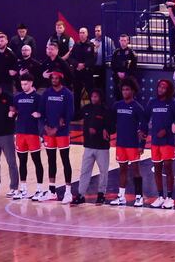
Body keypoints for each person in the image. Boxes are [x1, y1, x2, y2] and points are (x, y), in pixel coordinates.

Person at [142, 79, 175, 209]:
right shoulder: (152, 103)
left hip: (168, 141)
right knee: (157, 169)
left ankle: (170, 198)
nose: (161, 89)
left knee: (168, 168)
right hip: (155, 141)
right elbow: (145, 119)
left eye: (164, 87)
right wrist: (143, 133)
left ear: (169, 90)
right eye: (159, 86)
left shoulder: (172, 104)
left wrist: (168, 130)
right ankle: (160, 196)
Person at [109, 78, 146, 207]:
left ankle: (139, 197)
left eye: (127, 89)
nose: (125, 92)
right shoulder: (117, 105)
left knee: (135, 170)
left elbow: (144, 127)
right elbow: (111, 122)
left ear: (133, 91)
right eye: (123, 89)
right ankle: (121, 196)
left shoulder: (137, 107)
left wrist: (142, 144)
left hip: (133, 144)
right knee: (122, 170)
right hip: (120, 143)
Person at [73, 88, 113, 205]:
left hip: (102, 147)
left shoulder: (106, 110)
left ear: (100, 97)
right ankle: (81, 194)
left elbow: (112, 127)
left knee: (103, 172)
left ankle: (101, 194)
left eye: (96, 96)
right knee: (85, 171)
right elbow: (75, 116)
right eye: (92, 96)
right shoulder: (86, 109)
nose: (93, 98)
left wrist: (106, 129)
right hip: (88, 146)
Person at [39, 72, 75, 204]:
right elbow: (41, 112)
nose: (54, 80)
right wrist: (45, 128)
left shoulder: (67, 94)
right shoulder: (46, 93)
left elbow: (70, 114)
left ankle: (68, 191)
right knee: (51, 160)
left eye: (56, 78)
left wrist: (56, 129)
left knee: (65, 160)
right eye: (52, 78)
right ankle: (52, 191)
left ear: (61, 79)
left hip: (62, 132)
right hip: (49, 132)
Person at [12, 73, 46, 200]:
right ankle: (23, 189)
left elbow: (43, 113)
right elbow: (14, 110)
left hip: (33, 133)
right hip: (20, 132)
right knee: (22, 161)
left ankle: (39, 189)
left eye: (26, 84)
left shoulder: (38, 97)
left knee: (37, 161)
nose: (24, 86)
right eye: (22, 84)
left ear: (31, 83)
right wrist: (12, 113)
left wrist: (40, 114)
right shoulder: (17, 97)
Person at [68, 26, 96, 116]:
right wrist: (77, 65)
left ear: (87, 34)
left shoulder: (91, 46)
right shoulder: (76, 45)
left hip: (87, 72)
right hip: (77, 73)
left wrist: (84, 65)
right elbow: (71, 58)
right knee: (76, 93)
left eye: (83, 32)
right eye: (80, 32)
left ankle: (93, 112)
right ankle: (77, 113)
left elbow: (93, 59)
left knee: (91, 92)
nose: (82, 34)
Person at [111, 34, 138, 99]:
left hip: (128, 79)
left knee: (128, 96)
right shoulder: (116, 52)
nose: (123, 42)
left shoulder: (132, 53)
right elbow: (113, 64)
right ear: (119, 41)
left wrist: (125, 74)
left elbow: (133, 67)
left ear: (128, 41)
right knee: (117, 95)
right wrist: (118, 73)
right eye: (121, 40)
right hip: (117, 78)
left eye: (124, 40)